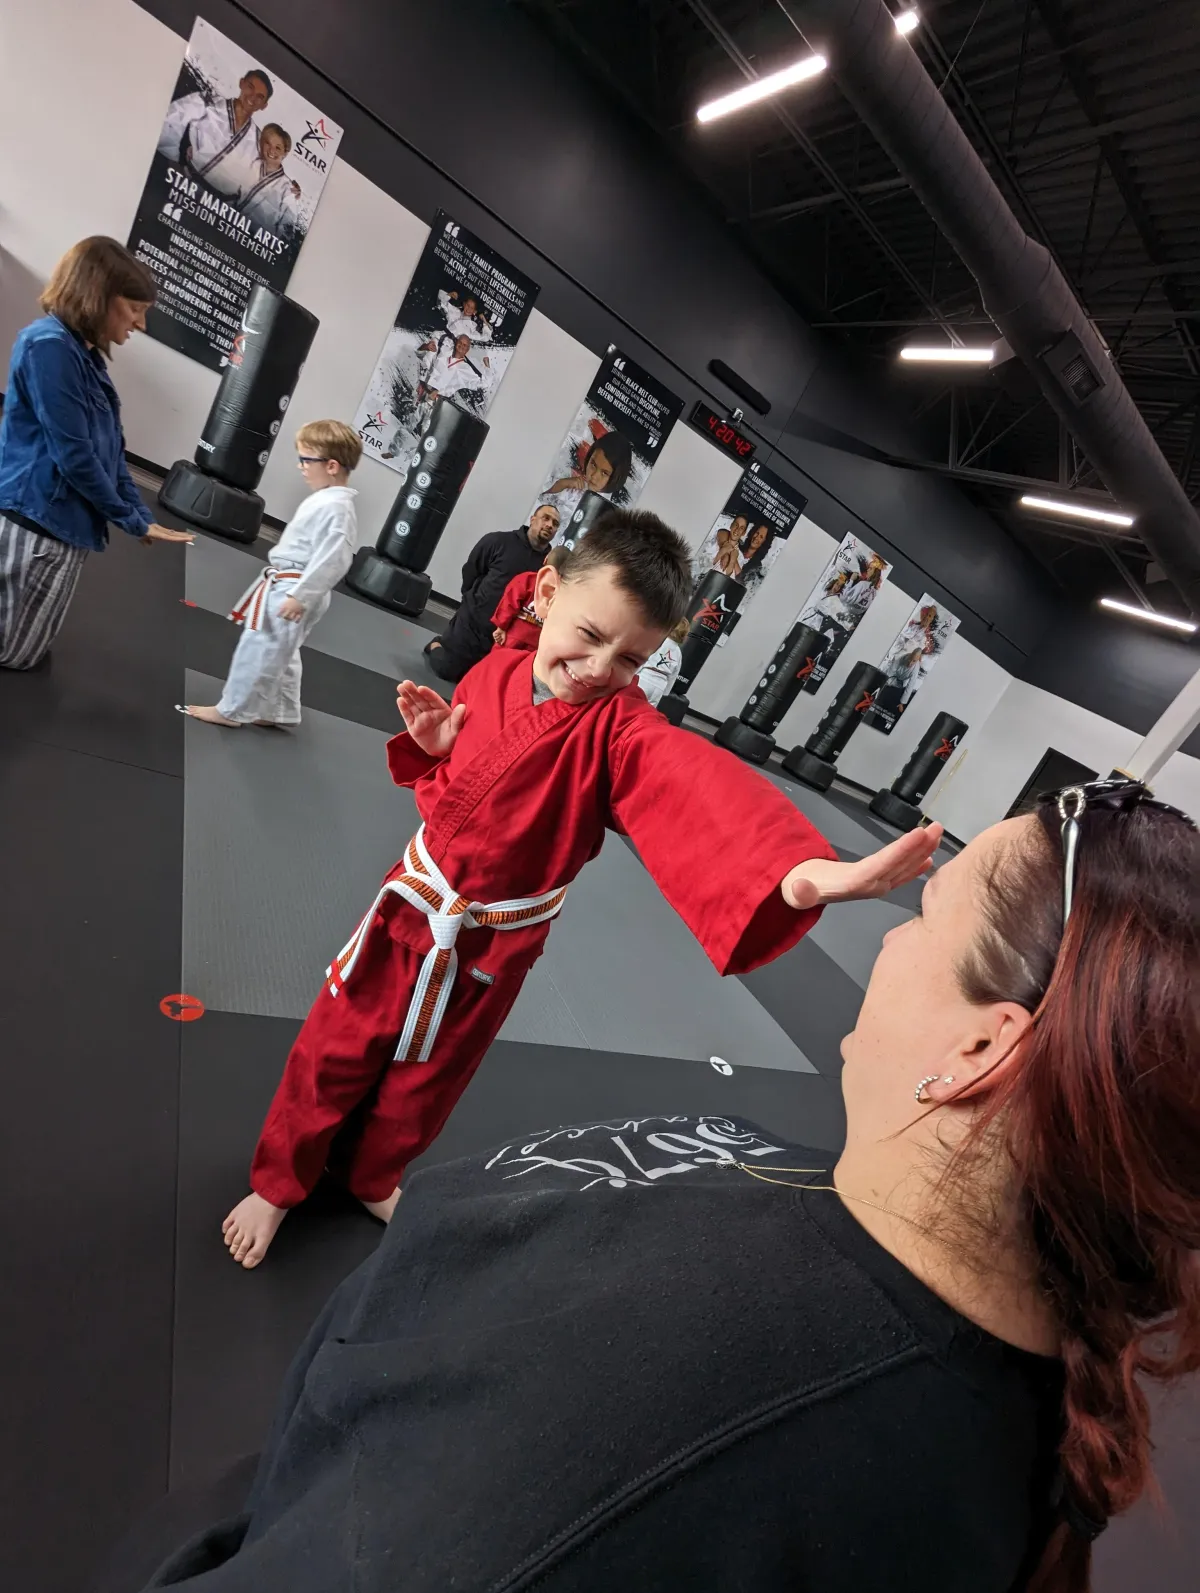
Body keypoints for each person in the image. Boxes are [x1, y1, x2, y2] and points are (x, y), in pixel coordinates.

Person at [140, 779, 1200, 1592]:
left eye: (923, 917)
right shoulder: (1008, 1413)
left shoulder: (616, 1462)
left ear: (980, 1049)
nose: (888, 942)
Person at [221, 509, 939, 1269]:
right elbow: (455, 800)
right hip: (414, 904)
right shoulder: (495, 669)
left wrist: (799, 873)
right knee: (337, 1044)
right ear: (547, 593)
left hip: (498, 942)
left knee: (434, 1074)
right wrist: (439, 751)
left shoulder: (621, 731)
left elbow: (693, 785)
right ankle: (278, 1183)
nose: (599, 670)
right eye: (590, 636)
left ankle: (372, 1174)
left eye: (631, 659)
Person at [0, 237, 194, 671]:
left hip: (66, 526)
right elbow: (75, 457)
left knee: (28, 654)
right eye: (136, 309)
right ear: (99, 295)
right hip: (37, 521)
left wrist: (139, 515)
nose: (141, 323)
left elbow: (110, 450)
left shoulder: (87, 358)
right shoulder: (48, 346)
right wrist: (129, 519)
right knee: (15, 655)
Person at [180, 421, 360, 728]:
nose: (301, 466)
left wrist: (301, 596)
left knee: (259, 649)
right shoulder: (327, 500)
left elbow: (335, 559)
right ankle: (278, 711)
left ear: (331, 466)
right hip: (291, 583)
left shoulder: (337, 508)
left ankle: (231, 711)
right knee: (282, 651)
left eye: (307, 460)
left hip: (295, 586)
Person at [424, 503, 560, 682]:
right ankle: (436, 644)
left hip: (504, 637)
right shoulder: (498, 541)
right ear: (533, 519)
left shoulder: (549, 566)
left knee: (479, 681)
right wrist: (473, 603)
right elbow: (471, 571)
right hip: (473, 623)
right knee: (448, 670)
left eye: (555, 523)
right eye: (546, 518)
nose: (550, 525)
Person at [157, 67, 274, 198]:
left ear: (264, 105)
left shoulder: (259, 142)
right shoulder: (208, 102)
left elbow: (255, 182)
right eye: (250, 87)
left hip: (212, 202)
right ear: (241, 83)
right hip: (176, 177)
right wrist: (180, 159)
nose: (252, 97)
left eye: (260, 97)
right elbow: (166, 126)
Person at [543, 428, 634, 523]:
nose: (594, 475)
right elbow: (540, 506)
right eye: (593, 464)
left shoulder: (610, 514)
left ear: (615, 477)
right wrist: (562, 484)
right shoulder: (574, 484)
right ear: (589, 457)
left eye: (604, 473)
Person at [490, 544, 571, 650]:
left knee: (498, 659)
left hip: (513, 635)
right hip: (538, 644)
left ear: (545, 560)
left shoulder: (527, 579)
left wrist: (501, 627)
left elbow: (509, 603)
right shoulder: (565, 595)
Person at [237, 123, 300, 238]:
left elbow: (286, 230)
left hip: (256, 238)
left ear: (285, 153)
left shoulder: (288, 189)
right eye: (268, 143)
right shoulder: (252, 164)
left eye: (278, 148)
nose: (271, 150)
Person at [635, 614, 689, 706]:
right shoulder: (678, 653)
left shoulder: (658, 641)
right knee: (647, 710)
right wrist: (666, 691)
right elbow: (674, 675)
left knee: (632, 703)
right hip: (660, 686)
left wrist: (634, 674)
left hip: (645, 678)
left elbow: (645, 658)